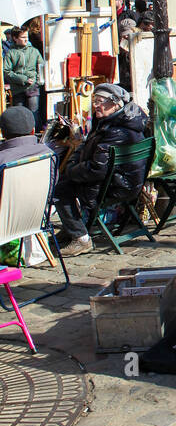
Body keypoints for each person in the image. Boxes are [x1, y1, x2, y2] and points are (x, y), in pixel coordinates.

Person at [52, 83, 148, 255]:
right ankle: (72, 227)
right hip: (122, 180)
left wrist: (70, 170)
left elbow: (97, 169)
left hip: (118, 187)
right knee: (66, 180)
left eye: (100, 101)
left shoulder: (117, 131)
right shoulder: (115, 122)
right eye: (95, 100)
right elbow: (84, 147)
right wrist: (73, 163)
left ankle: (80, 238)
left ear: (116, 103)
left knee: (60, 189)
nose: (96, 105)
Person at [3, 26, 44, 118]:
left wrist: (37, 82)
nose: (26, 40)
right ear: (15, 38)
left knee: (33, 114)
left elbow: (41, 68)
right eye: (23, 37)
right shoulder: (11, 53)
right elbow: (6, 71)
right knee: (19, 116)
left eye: (27, 37)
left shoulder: (34, 51)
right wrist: (24, 79)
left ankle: (34, 132)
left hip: (32, 88)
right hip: (17, 89)